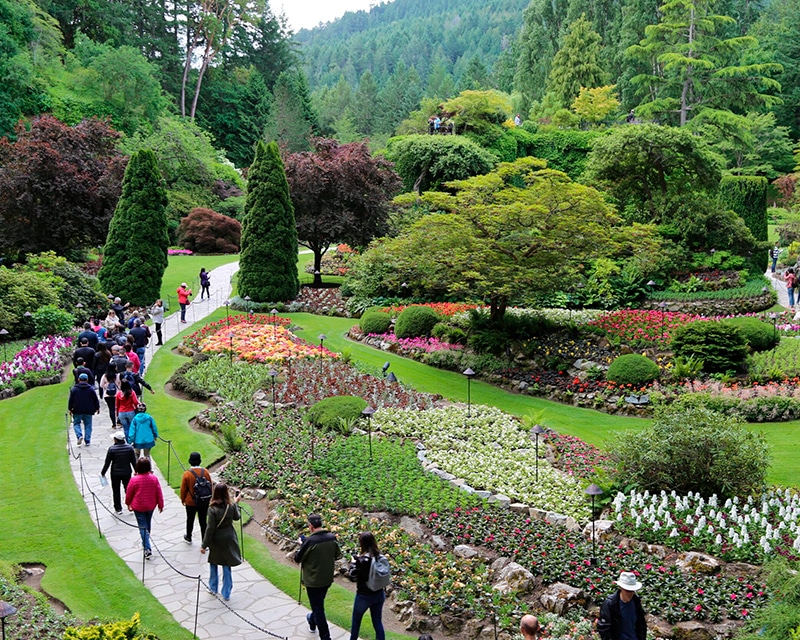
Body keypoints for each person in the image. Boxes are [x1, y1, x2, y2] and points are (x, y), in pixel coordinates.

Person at [294, 513, 341, 640]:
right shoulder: (331, 538)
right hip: (327, 579)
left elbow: (297, 558)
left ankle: (325, 637)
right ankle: (312, 620)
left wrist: (301, 545)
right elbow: (338, 555)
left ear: (310, 526)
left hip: (313, 581)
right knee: (318, 604)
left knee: (318, 608)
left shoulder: (309, 541)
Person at [201, 483, 242, 601]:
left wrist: (204, 545)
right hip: (229, 537)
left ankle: (213, 588)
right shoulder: (231, 506)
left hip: (216, 539)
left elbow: (210, 529)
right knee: (226, 564)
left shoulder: (212, 509)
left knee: (213, 562)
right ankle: (226, 593)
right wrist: (236, 502)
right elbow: (237, 517)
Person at [348, 531, 387, 640]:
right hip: (379, 594)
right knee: (377, 623)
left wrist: (352, 564)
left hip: (363, 596)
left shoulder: (363, 561)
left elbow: (352, 576)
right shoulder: (380, 557)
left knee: (356, 622)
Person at [125, 456, 163, 559]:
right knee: (147, 524)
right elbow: (158, 492)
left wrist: (128, 503)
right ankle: (146, 542)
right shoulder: (153, 478)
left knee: (142, 526)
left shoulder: (134, 480)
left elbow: (129, 493)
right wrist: (160, 504)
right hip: (150, 505)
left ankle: (147, 547)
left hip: (139, 506)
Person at [597, 571, 647, 640]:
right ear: (621, 588)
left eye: (632, 591)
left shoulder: (636, 602)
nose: (630, 594)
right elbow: (604, 628)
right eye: (627, 590)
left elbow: (641, 624)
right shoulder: (610, 604)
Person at [101, 431, 137, 515]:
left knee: (116, 490)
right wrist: (137, 471)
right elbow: (133, 462)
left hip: (115, 473)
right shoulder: (129, 448)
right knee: (128, 489)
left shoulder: (112, 449)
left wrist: (103, 472)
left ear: (115, 440)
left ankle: (118, 508)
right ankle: (131, 504)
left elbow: (107, 462)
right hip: (126, 472)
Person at [181, 452, 213, 544]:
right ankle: (204, 541)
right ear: (200, 461)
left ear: (190, 461)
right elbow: (210, 485)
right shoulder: (205, 472)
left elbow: (183, 489)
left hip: (191, 502)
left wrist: (183, 500)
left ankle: (189, 536)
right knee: (203, 521)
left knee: (190, 519)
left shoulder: (187, 474)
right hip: (204, 500)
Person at [68, 372, 100, 447]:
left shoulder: (74, 389)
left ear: (79, 380)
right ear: (87, 380)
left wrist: (70, 409)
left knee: (76, 423)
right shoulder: (91, 389)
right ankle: (87, 440)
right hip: (88, 410)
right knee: (88, 425)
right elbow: (95, 400)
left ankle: (79, 436)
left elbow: (71, 400)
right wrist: (97, 408)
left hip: (77, 410)